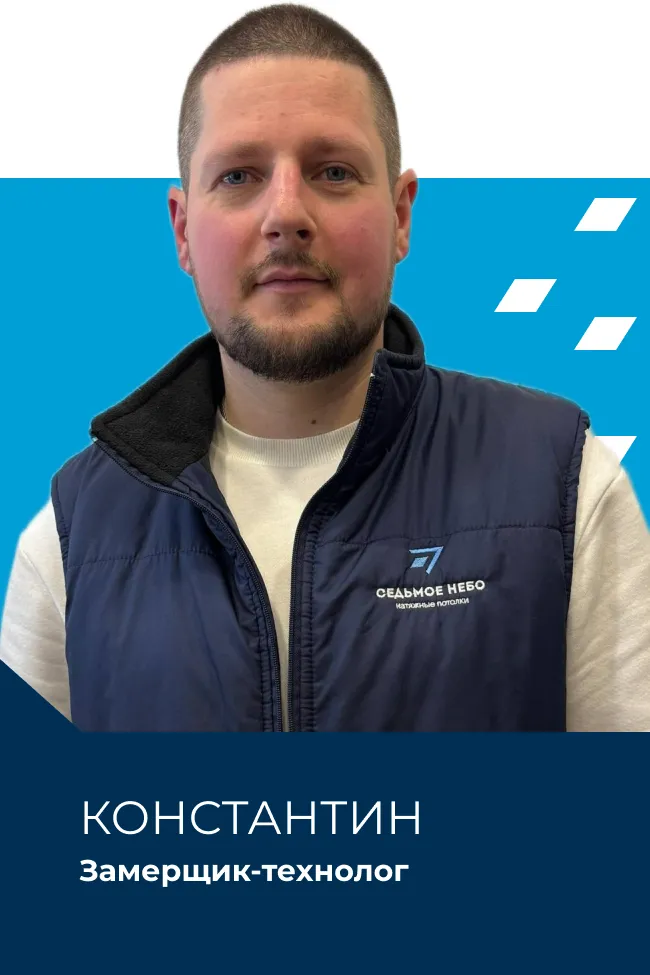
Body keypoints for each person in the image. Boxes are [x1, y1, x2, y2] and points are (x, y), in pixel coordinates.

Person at [1, 4, 649, 732]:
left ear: (401, 215)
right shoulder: (70, 536)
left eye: (333, 172)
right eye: (239, 175)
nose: (286, 213)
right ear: (182, 230)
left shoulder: (564, 484)